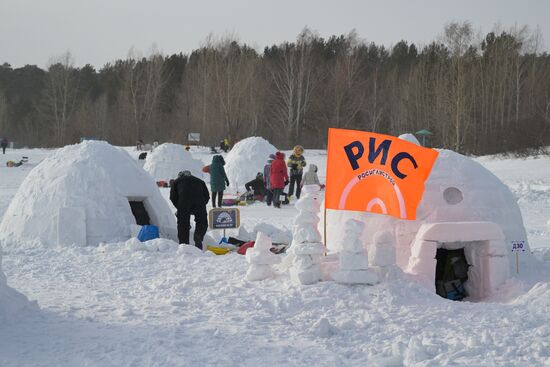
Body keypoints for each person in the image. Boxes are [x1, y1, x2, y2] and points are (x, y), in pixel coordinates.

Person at [169, 170, 210, 249]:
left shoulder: (177, 182)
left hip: (183, 202)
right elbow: (207, 196)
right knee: (201, 221)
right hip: (199, 201)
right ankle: (198, 236)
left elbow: (172, 197)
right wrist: (201, 206)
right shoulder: (200, 181)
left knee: (183, 223)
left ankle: (184, 245)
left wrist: (179, 207)